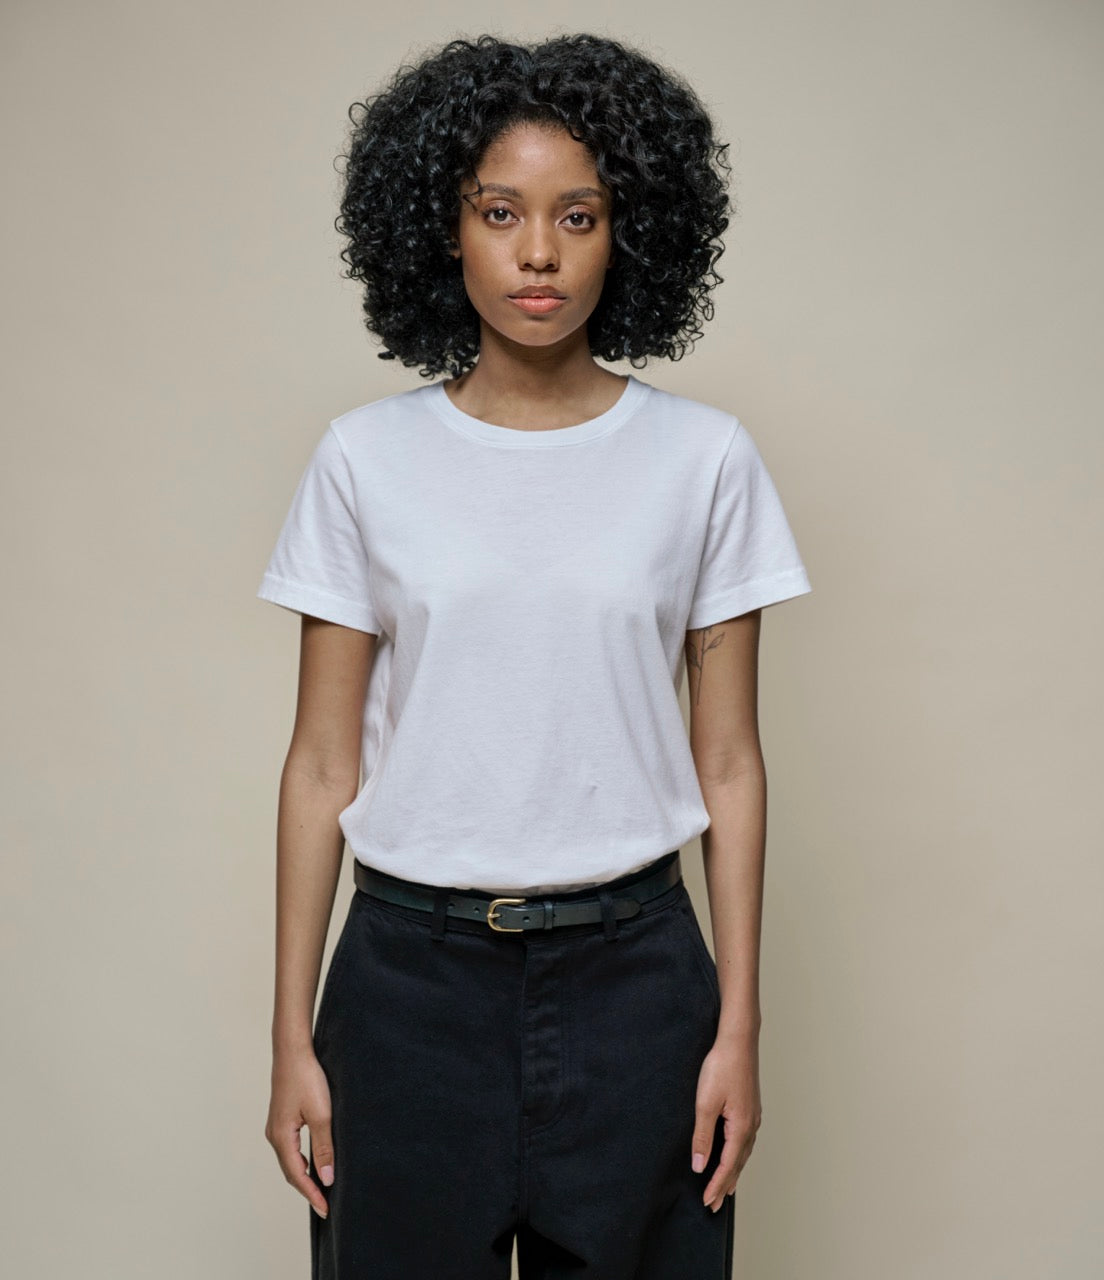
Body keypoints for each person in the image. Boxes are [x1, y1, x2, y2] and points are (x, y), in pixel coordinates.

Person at [257, 31, 812, 1280]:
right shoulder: (363, 459)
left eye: (580, 213)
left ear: (635, 231)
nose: (540, 252)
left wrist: (739, 1024)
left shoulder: (705, 459)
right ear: (440, 229)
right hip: (406, 993)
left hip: (639, 988)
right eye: (499, 212)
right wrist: (292, 1032)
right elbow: (318, 761)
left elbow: (729, 762)